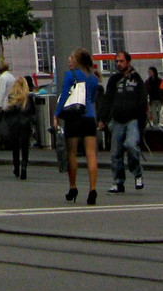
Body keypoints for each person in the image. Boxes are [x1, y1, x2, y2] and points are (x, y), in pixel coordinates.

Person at [55, 48, 104, 204]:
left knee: (72, 154)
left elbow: (64, 95)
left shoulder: (71, 75)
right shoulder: (94, 78)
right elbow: (94, 98)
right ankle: (93, 189)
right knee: (91, 154)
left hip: (74, 117)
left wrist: (56, 114)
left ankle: (73, 187)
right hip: (89, 117)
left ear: (78, 61)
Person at [104, 52, 146, 195]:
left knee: (131, 145)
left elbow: (142, 100)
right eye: (117, 61)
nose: (119, 64)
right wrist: (102, 119)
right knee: (116, 152)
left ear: (128, 62)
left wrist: (142, 122)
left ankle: (137, 173)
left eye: (121, 61)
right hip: (117, 120)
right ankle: (118, 182)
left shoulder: (136, 79)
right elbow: (107, 99)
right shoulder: (114, 79)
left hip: (132, 119)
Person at [0, 71, 35, 179]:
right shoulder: (28, 97)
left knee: (15, 147)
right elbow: (32, 112)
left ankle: (16, 168)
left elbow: (8, 111)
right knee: (25, 147)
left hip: (14, 124)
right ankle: (24, 166)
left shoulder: (11, 96)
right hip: (25, 124)